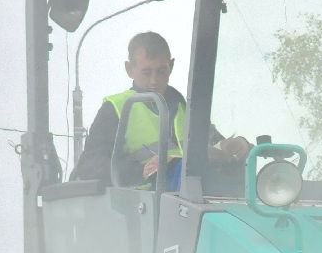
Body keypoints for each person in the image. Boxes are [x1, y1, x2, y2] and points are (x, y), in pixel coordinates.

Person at [71, 31, 251, 189]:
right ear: (129, 69)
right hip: (138, 213)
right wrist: (142, 170)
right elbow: (90, 166)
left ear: (171, 66)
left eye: (161, 71)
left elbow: (213, 146)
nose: (154, 81)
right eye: (147, 72)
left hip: (189, 205)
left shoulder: (185, 108)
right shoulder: (115, 109)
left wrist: (232, 147)